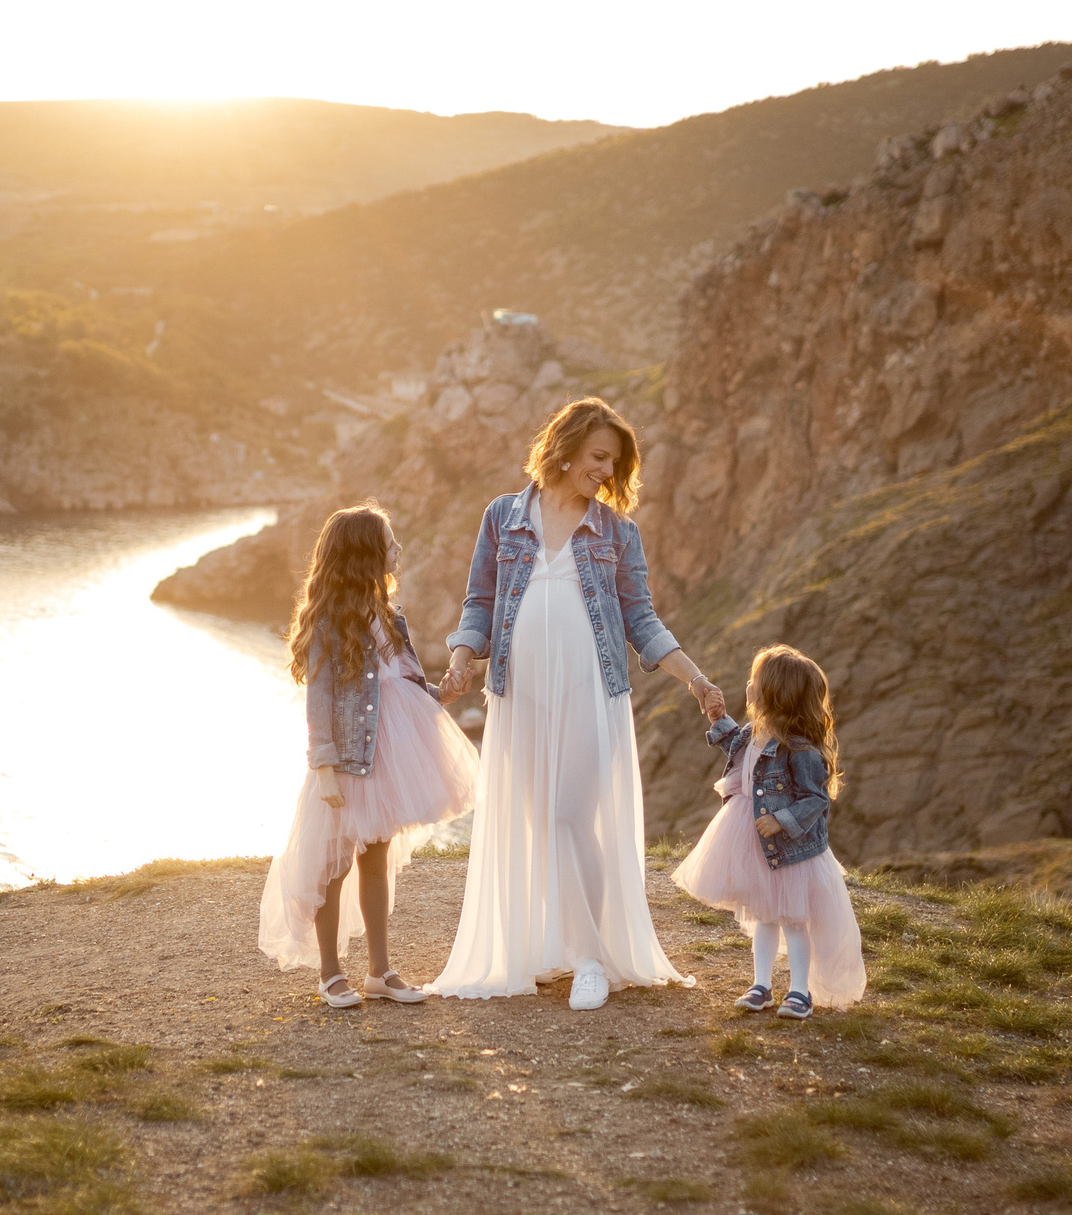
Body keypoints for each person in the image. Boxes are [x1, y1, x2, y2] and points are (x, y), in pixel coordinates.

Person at [427, 397, 727, 1009]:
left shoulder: (616, 531)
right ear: (564, 448)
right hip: (521, 695)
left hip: (591, 691)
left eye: (613, 463)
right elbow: (479, 602)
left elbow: (639, 617)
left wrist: (694, 678)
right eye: (597, 457)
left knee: (569, 817)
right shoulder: (502, 517)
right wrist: (461, 659)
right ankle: (553, 946)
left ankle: (591, 959)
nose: (606, 472)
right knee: (541, 823)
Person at [258, 504, 481, 1007]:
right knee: (332, 865)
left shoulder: (390, 615)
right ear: (364, 554)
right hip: (347, 760)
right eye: (389, 542)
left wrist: (443, 692)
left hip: (390, 752)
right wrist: (325, 767)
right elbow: (319, 700)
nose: (398, 550)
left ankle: (380, 971)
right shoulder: (330, 623)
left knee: (375, 860)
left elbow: (404, 680)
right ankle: (331, 973)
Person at [670, 645, 865, 1019]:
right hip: (751, 839)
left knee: (792, 919)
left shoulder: (800, 749)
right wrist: (719, 718)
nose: (748, 685)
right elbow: (736, 748)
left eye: (754, 681)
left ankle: (799, 990)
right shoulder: (753, 732)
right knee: (763, 915)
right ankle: (761, 984)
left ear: (774, 694)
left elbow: (815, 798)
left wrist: (782, 820)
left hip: (790, 848)